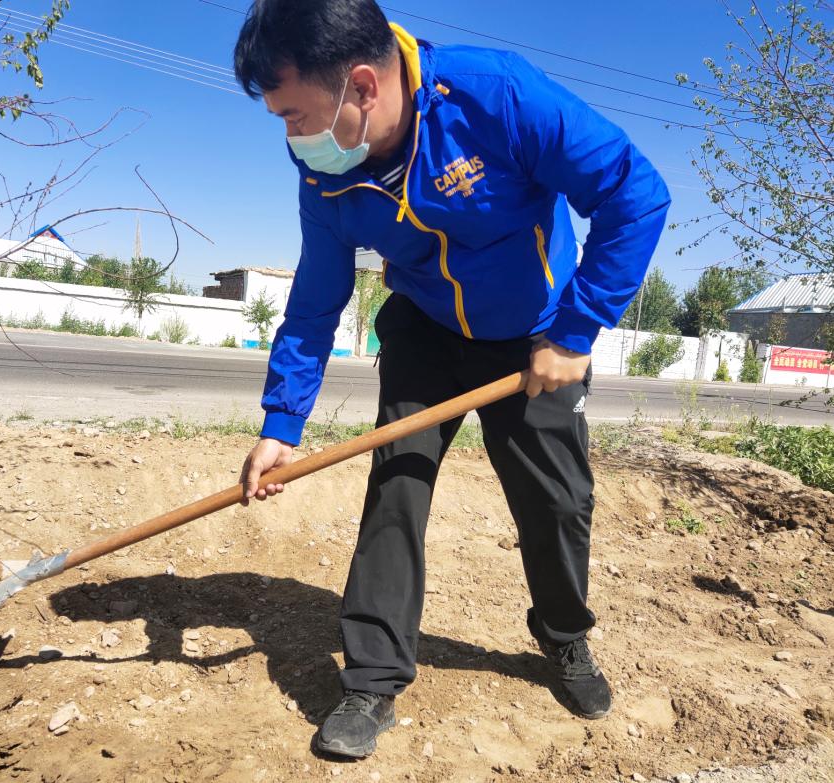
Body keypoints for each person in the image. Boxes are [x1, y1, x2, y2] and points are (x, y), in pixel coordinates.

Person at [233, 0, 670, 759]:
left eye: (295, 114)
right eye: (280, 119)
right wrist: (281, 423)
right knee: (395, 485)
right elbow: (314, 300)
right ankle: (371, 677)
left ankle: (563, 637)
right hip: (426, 331)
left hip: (534, 338)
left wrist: (573, 330)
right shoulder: (324, 172)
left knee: (557, 501)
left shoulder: (492, 95)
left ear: (361, 86)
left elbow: (634, 192)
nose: (291, 136)